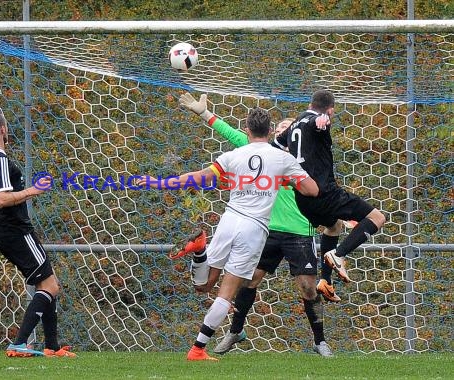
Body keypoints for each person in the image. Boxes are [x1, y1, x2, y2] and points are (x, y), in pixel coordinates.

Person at [137, 107, 319, 361]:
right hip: (254, 229)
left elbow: (198, 178)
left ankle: (200, 251)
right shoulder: (283, 159)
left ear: (247, 130)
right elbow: (312, 190)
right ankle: (197, 349)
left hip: (229, 221)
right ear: (270, 132)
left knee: (204, 286)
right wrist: (288, 180)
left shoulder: (234, 155)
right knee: (226, 293)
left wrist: (158, 182)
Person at [176, 93, 333, 357]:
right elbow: (231, 133)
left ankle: (319, 341)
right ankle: (235, 331)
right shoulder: (263, 153)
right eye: (281, 127)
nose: (285, 130)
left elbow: (320, 188)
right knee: (248, 281)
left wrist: (333, 213)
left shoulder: (304, 160)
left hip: (299, 232)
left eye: (290, 127)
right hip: (264, 230)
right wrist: (204, 113)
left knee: (307, 287)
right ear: (273, 133)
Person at [0, 109, 76, 358]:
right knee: (51, 286)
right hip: (17, 231)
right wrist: (32, 191)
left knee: (48, 282)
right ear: (2, 130)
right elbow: (0, 200)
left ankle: (52, 347)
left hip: (4, 232)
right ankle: (19, 343)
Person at [272, 90, 386, 290]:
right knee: (377, 218)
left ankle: (326, 280)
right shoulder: (318, 120)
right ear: (331, 110)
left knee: (333, 226)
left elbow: (274, 146)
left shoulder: (294, 124)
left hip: (303, 200)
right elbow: (319, 123)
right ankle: (338, 254)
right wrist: (322, 121)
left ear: (310, 104)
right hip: (325, 194)